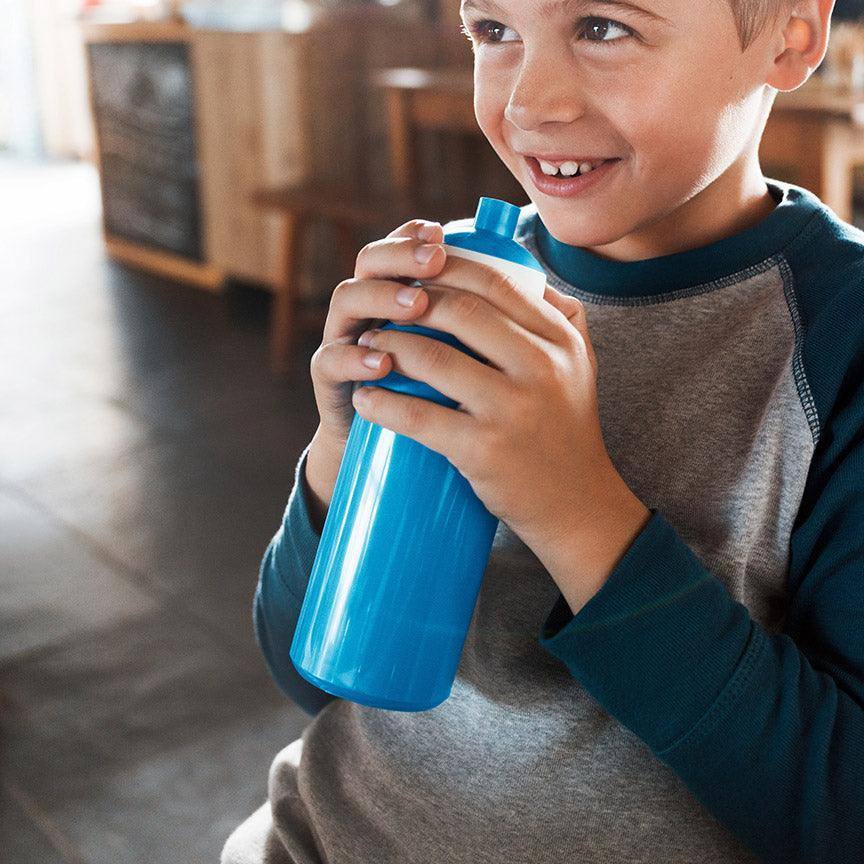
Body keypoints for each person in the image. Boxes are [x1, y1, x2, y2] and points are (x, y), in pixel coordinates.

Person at [222, 0, 864, 861]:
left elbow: (839, 805)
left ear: (791, 36)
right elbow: (306, 679)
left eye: (603, 27)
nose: (529, 102)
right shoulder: (458, 283)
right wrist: (339, 456)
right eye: (493, 31)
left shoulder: (840, 338)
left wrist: (575, 509)